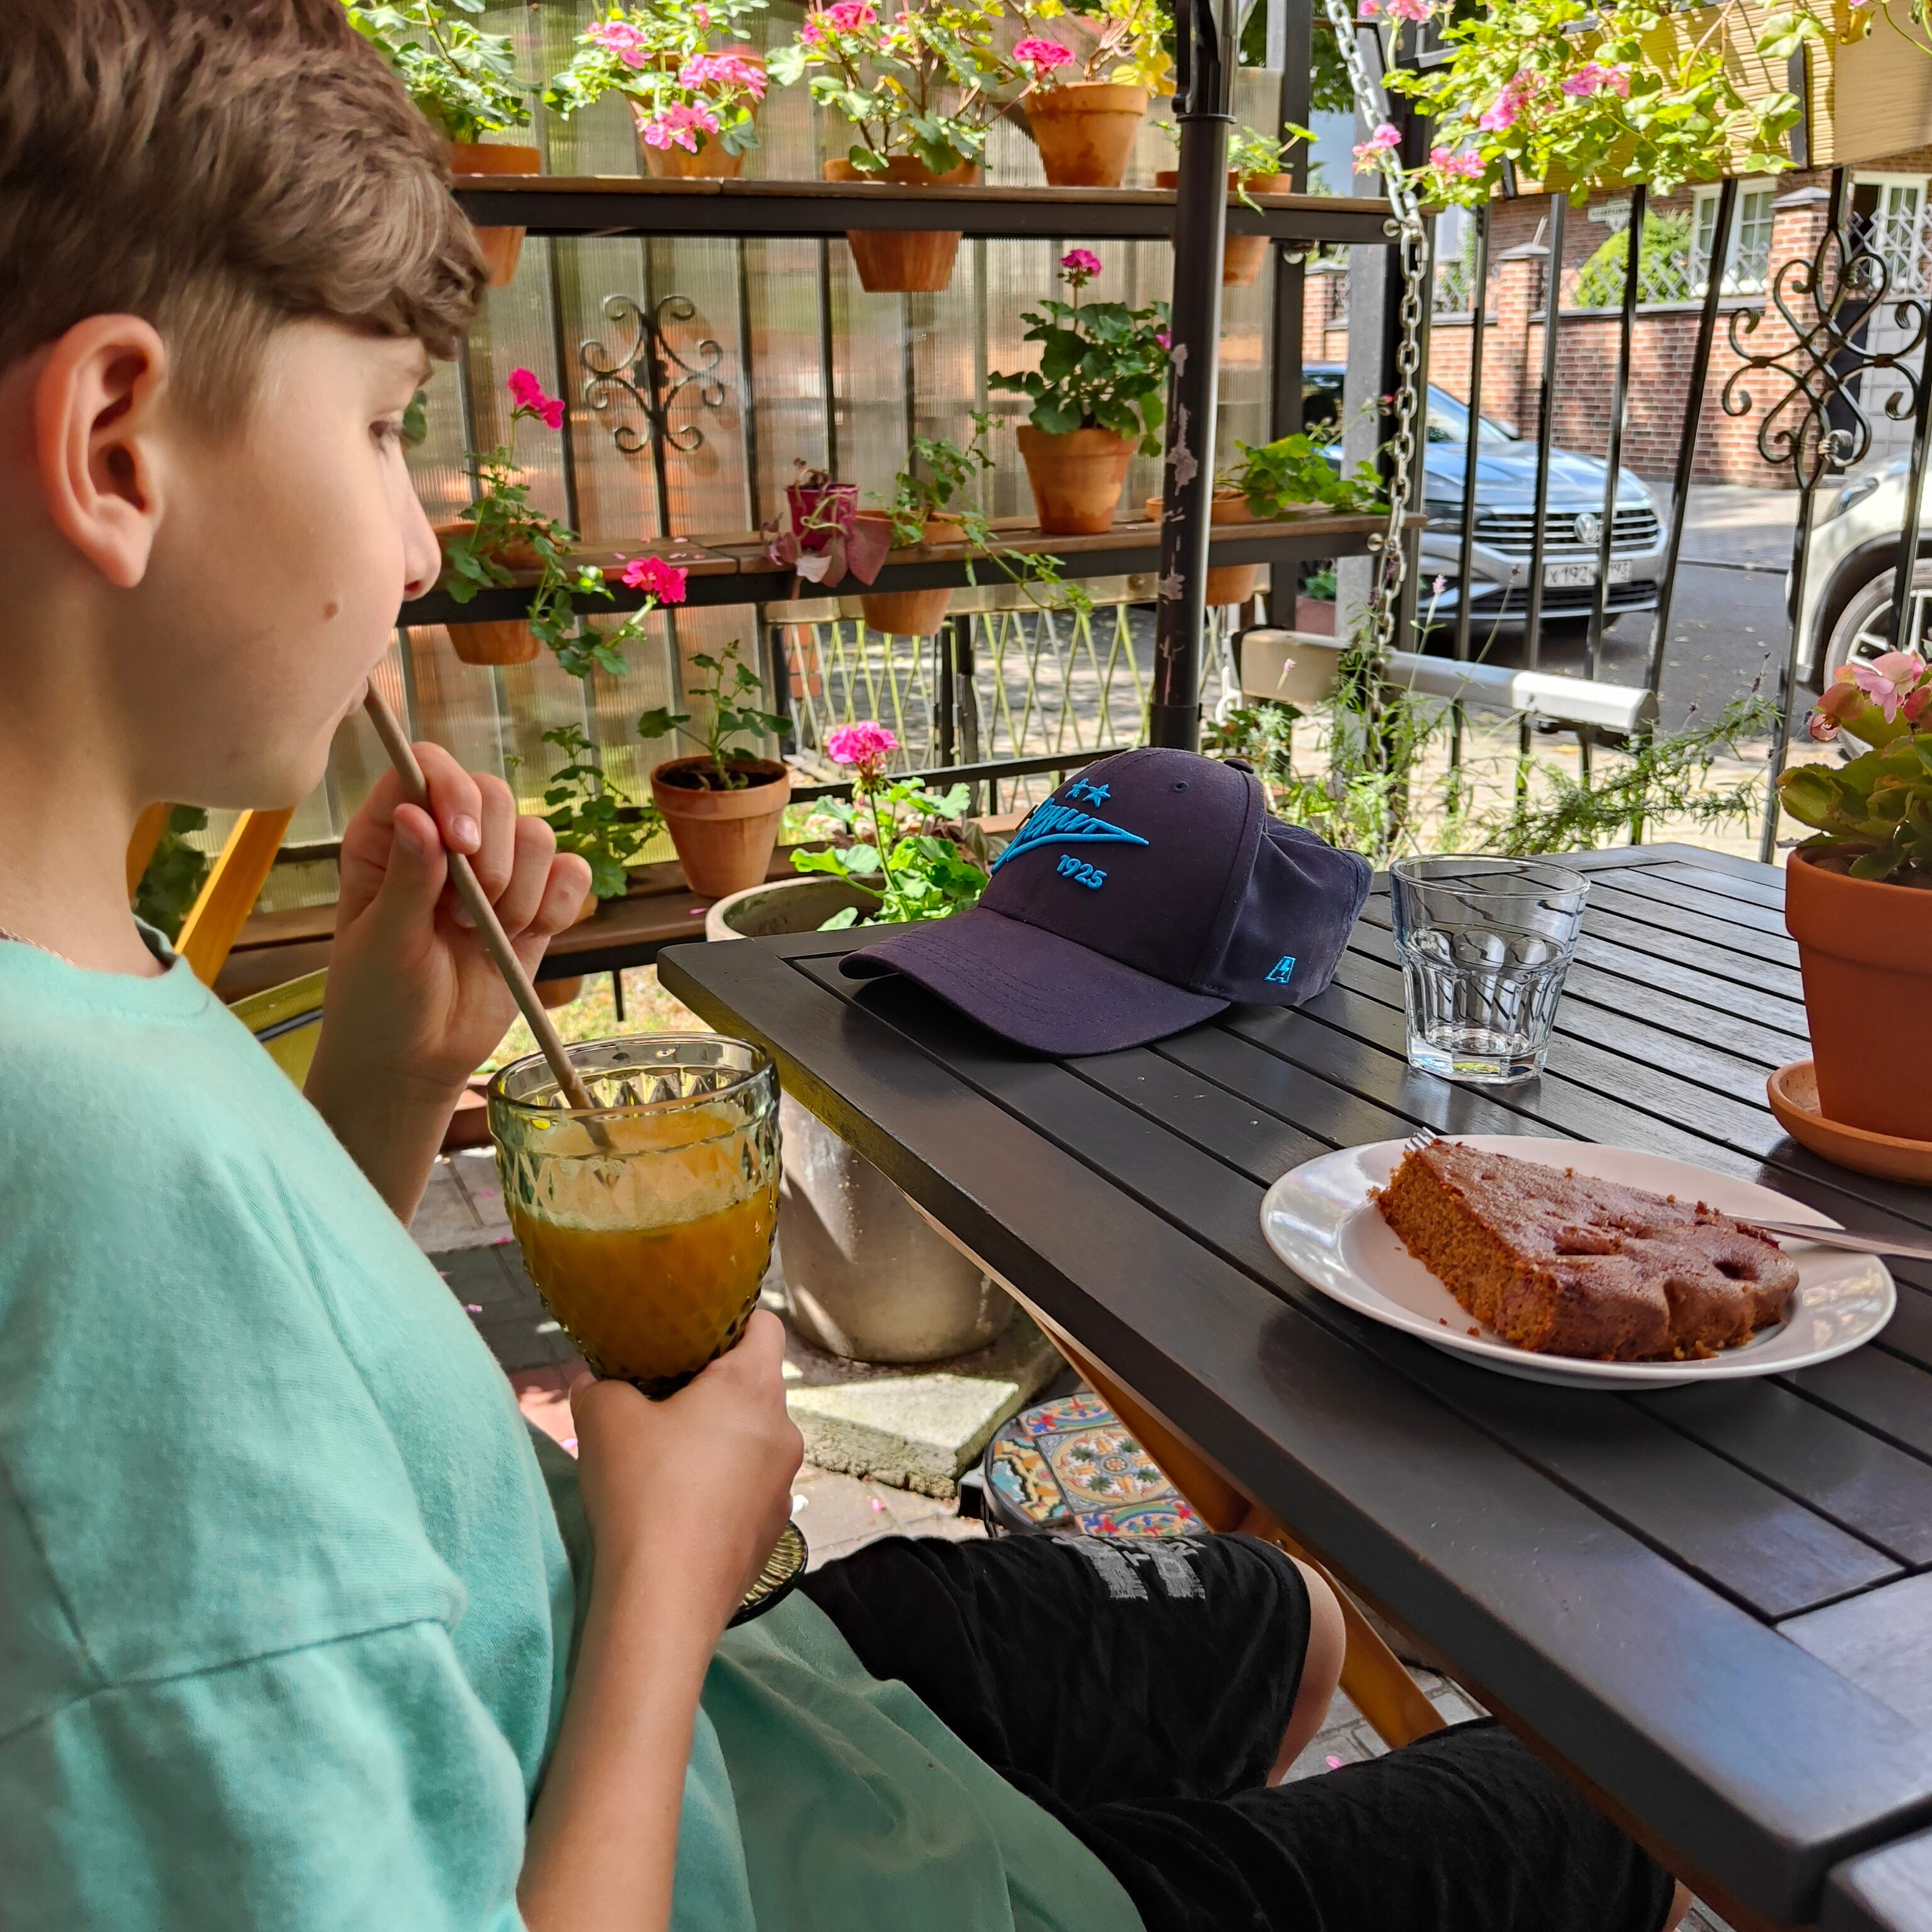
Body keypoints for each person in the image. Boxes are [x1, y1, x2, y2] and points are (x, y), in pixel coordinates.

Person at [0, 5, 1690, 1929]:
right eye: (385, 428)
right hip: (713, 1775)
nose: (411, 544)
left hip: (753, 1744)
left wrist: (383, 1093)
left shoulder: (89, 985)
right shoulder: (75, 1176)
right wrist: (665, 1571)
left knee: (1261, 1616)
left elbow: (269, 1411)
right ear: (115, 443)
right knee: (1582, 1811)